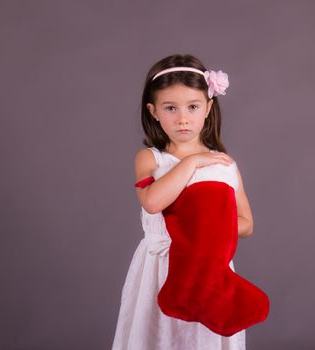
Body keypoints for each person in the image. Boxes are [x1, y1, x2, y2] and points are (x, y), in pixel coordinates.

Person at [111, 54, 265, 350]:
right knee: (156, 337)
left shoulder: (224, 165)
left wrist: (208, 226)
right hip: (160, 268)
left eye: (192, 107)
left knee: (203, 339)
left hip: (209, 267)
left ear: (208, 108)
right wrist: (192, 162)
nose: (182, 118)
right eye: (171, 108)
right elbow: (153, 202)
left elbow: (246, 224)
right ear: (153, 111)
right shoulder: (150, 159)